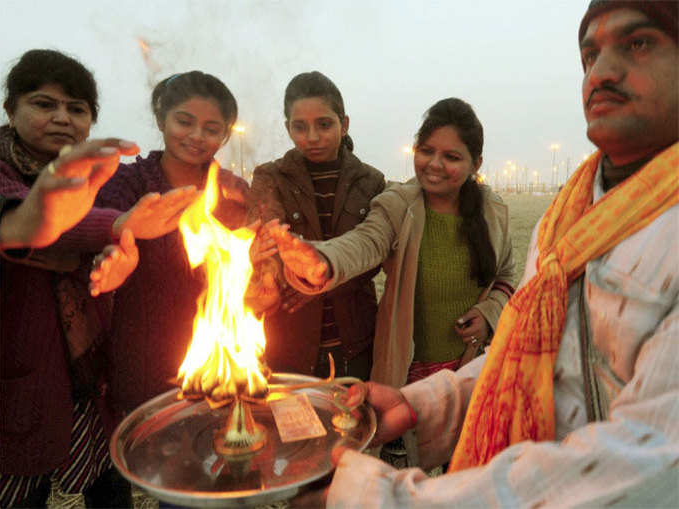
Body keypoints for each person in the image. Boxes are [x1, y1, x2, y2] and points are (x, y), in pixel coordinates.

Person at [285, 1, 679, 507]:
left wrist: (386, 500)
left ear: (474, 164)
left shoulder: (494, 211)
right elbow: (536, 363)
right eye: (588, 55)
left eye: (638, 43)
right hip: (422, 364)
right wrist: (418, 404)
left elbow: (647, 464)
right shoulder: (568, 216)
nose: (601, 73)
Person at [271, 98, 514, 391]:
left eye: (451, 157)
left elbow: (506, 274)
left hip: (474, 368)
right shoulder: (399, 204)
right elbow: (366, 241)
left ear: (476, 164)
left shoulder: (493, 211)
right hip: (408, 374)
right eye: (426, 151)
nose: (434, 164)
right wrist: (321, 258)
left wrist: (490, 313)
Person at [0, 49, 145, 508]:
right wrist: (115, 227)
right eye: (44, 104)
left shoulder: (96, 175)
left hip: (90, 377)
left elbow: (90, 241)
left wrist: (116, 257)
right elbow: (28, 223)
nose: (62, 118)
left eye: (77, 108)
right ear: (11, 109)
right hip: (17, 385)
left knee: (111, 488)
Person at [95, 70, 251, 415]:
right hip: (145, 361)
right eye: (185, 122)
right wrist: (111, 262)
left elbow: (246, 276)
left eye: (212, 129)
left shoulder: (234, 191)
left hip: (222, 365)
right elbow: (99, 246)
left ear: (225, 136)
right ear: (161, 119)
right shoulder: (128, 185)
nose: (197, 136)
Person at [246, 71, 385, 381]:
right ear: (288, 128)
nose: (312, 137)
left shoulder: (370, 181)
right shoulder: (271, 177)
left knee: (353, 421)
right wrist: (299, 278)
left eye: (324, 124)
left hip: (355, 339)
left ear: (344, 123)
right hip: (290, 338)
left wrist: (320, 280)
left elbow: (374, 252)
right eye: (300, 127)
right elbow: (270, 242)